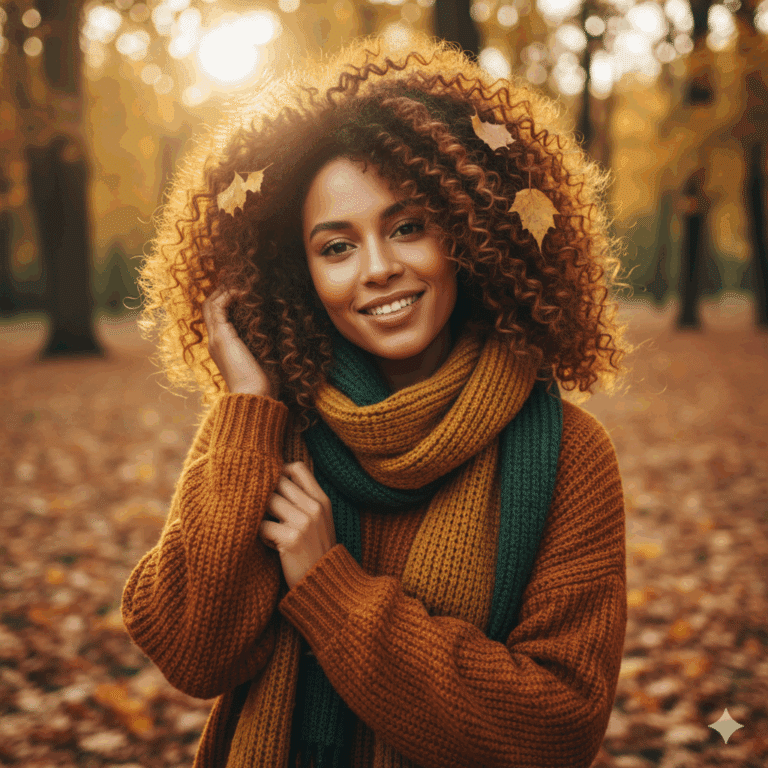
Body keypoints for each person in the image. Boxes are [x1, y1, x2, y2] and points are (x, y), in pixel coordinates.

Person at [122, 32, 635, 768]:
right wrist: (246, 404)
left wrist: (331, 590)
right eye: (337, 247)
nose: (379, 269)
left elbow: (555, 730)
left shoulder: (570, 458)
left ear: (468, 231)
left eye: (407, 227)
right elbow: (192, 653)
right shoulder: (268, 430)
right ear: (297, 271)